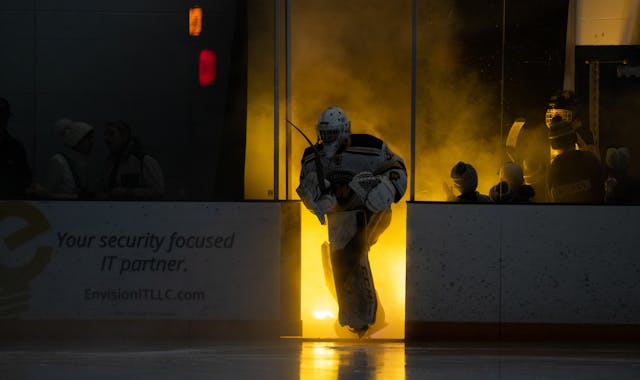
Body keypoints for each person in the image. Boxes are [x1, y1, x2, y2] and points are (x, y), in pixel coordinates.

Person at [296, 106, 407, 338]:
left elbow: (398, 169)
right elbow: (306, 190)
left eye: (332, 133)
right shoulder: (310, 157)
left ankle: (361, 316)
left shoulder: (370, 146)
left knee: (351, 251)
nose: (327, 139)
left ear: (345, 130)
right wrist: (317, 200)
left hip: (373, 211)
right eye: (324, 134)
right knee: (337, 257)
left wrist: (387, 187)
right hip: (340, 218)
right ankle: (365, 315)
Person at [99, 120, 165, 200]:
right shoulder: (109, 163)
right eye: (105, 134)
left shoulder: (143, 161)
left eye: (111, 134)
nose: (106, 139)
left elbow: (158, 191)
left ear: (124, 136)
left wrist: (127, 192)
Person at [546, 116, 604, 203]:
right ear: (574, 138)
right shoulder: (590, 159)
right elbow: (602, 190)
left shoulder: (553, 169)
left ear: (554, 144)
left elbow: (552, 200)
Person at [45, 118, 95, 199]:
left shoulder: (85, 163)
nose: (92, 141)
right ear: (77, 140)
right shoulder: (58, 161)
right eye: (88, 138)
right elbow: (47, 195)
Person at [0, 97, 33, 199]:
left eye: (3, 116)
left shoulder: (15, 147)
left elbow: (26, 179)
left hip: (12, 206)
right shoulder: (15, 146)